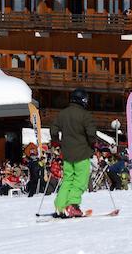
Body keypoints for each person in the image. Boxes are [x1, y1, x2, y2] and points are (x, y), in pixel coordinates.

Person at [50, 88, 97, 218]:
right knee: (80, 181)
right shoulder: (85, 115)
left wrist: (56, 142)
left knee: (67, 179)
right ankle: (73, 205)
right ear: (83, 100)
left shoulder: (62, 114)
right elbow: (91, 133)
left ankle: (60, 206)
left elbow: (53, 129)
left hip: (67, 153)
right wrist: (93, 145)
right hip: (82, 153)